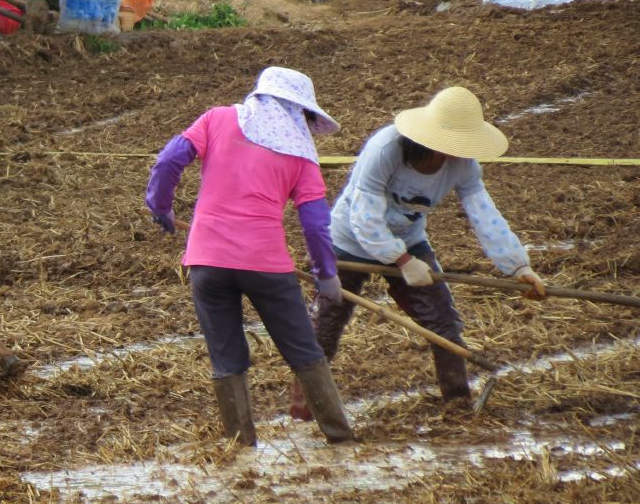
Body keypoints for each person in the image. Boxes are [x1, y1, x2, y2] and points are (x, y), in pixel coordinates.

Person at [291, 86, 547, 418]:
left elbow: (485, 214)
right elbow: (364, 215)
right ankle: (306, 410)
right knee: (327, 322)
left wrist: (518, 267)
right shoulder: (386, 149)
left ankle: (457, 406)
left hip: (410, 240)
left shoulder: (464, 166)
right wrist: (402, 261)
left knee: (443, 323)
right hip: (348, 241)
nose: (456, 152)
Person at [144, 67, 355, 446]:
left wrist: (159, 206)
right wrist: (326, 274)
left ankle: (241, 450)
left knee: (227, 358)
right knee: (304, 351)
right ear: (301, 113)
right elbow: (315, 224)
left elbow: (168, 161)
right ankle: (340, 439)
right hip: (266, 266)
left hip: (207, 262)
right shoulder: (301, 153)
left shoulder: (217, 118)